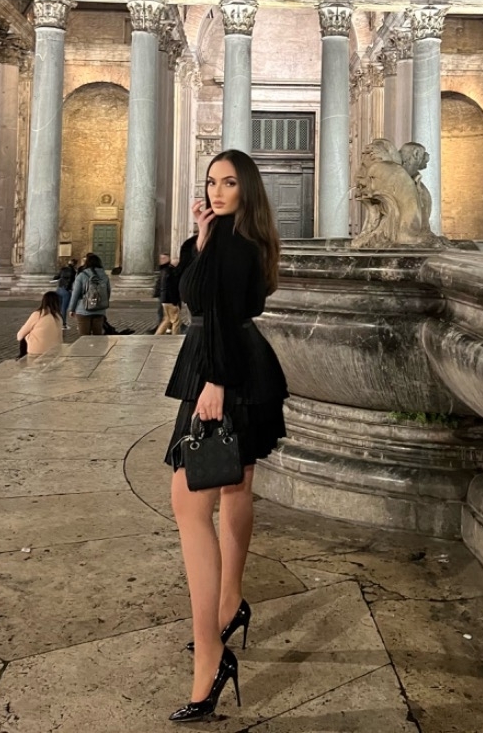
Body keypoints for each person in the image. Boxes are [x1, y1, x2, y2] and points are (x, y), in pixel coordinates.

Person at [164, 149, 288, 723]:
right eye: (211, 181)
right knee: (235, 488)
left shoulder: (235, 247)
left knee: (189, 505)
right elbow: (192, 289)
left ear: (247, 189)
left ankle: (211, 657)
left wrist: (214, 383)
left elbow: (215, 311)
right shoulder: (229, 240)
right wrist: (200, 236)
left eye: (229, 182)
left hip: (221, 370)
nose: (216, 191)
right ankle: (230, 602)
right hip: (232, 364)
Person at [69, 252, 111, 335]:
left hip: (83, 309)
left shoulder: (82, 275)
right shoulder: (104, 276)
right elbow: (108, 292)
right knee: (97, 337)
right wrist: (101, 302)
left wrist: (72, 309)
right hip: (99, 310)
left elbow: (75, 294)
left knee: (84, 337)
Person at [16, 291, 63, 356]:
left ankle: (21, 358)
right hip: (55, 350)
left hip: (36, 351)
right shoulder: (59, 317)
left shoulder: (38, 314)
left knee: (24, 336)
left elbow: (20, 336)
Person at [154, 253, 181, 335]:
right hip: (169, 299)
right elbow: (170, 288)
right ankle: (175, 336)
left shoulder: (165, 271)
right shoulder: (170, 272)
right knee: (176, 320)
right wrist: (174, 301)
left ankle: (158, 334)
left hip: (165, 299)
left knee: (167, 319)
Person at [55, 258, 77, 329]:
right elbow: (72, 281)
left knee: (59, 307)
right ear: (75, 264)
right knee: (64, 308)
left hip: (59, 289)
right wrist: (68, 289)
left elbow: (56, 277)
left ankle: (58, 323)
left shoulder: (63, 269)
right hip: (66, 290)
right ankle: (63, 324)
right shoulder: (73, 271)